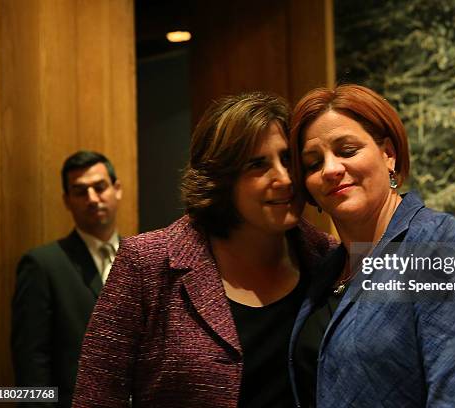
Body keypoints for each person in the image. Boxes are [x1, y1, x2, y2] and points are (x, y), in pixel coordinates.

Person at [72, 92, 335, 407]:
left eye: (288, 159)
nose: (283, 178)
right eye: (257, 164)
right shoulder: (147, 263)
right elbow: (96, 396)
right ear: (221, 179)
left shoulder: (328, 257)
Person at [288, 84, 455, 407]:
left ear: (388, 154)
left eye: (346, 150)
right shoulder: (325, 269)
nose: (330, 169)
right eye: (313, 162)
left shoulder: (440, 245)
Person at [11, 151, 123, 407]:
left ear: (117, 190)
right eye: (80, 191)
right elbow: (31, 366)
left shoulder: (141, 259)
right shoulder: (42, 265)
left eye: (99, 187)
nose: (92, 198)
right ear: (67, 200)